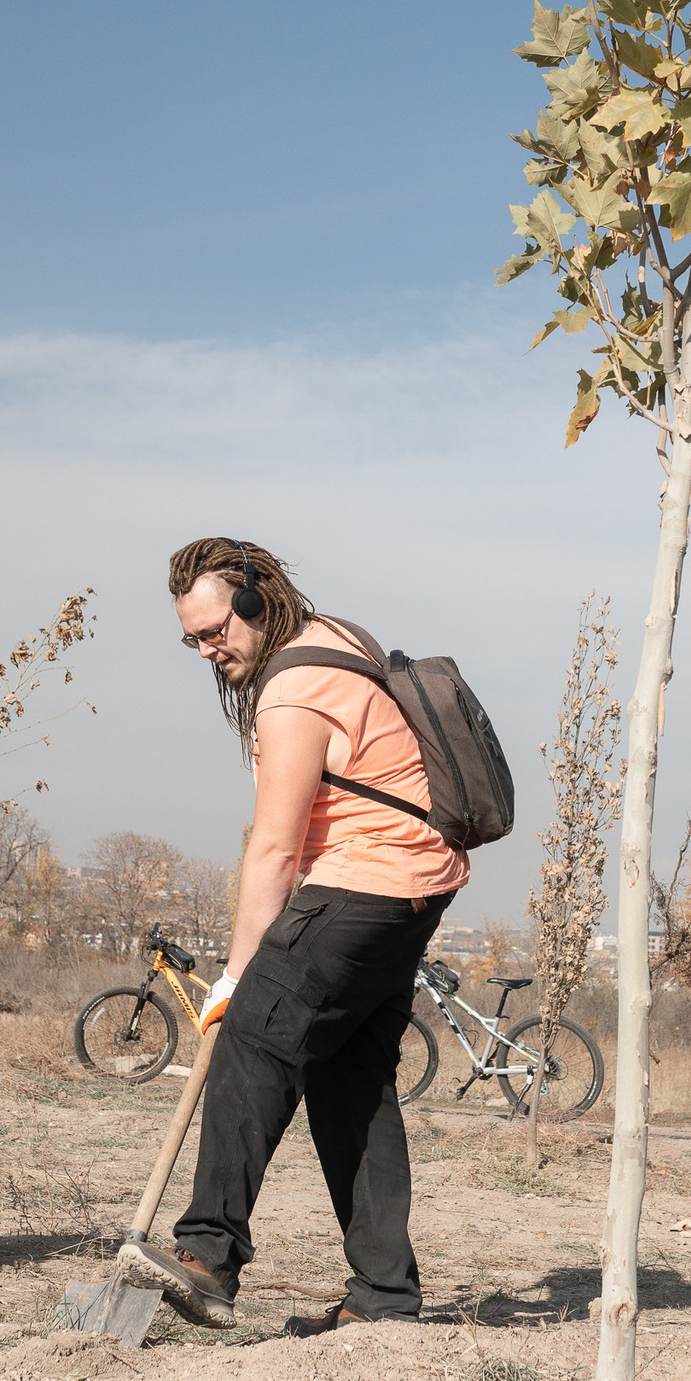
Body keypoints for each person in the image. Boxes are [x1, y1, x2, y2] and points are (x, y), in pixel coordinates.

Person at [118, 539, 467, 1335]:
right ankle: (383, 1297)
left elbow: (274, 848)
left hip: (365, 882)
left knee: (253, 1036)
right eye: (193, 640)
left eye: (216, 632)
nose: (209, 651)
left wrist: (237, 975)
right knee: (352, 1085)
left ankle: (208, 1257)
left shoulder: (293, 690)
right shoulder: (336, 640)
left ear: (254, 602)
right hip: (417, 888)